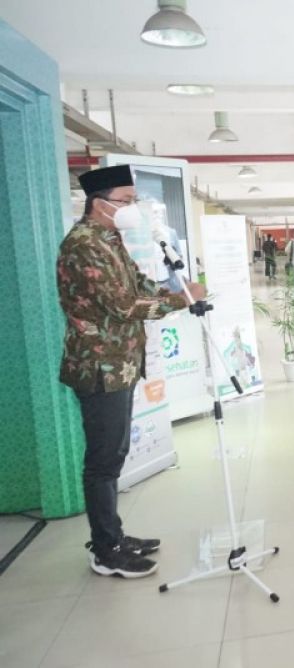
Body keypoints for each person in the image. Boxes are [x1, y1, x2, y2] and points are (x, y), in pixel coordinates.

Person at [58, 164, 207, 578]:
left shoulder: (109, 238)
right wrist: (180, 302)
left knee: (114, 454)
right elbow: (123, 306)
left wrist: (177, 290)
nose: (131, 208)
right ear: (99, 204)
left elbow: (139, 287)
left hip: (119, 362)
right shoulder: (84, 245)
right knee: (104, 461)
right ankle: (106, 549)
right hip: (99, 366)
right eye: (125, 201)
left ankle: (114, 535)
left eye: (132, 201)